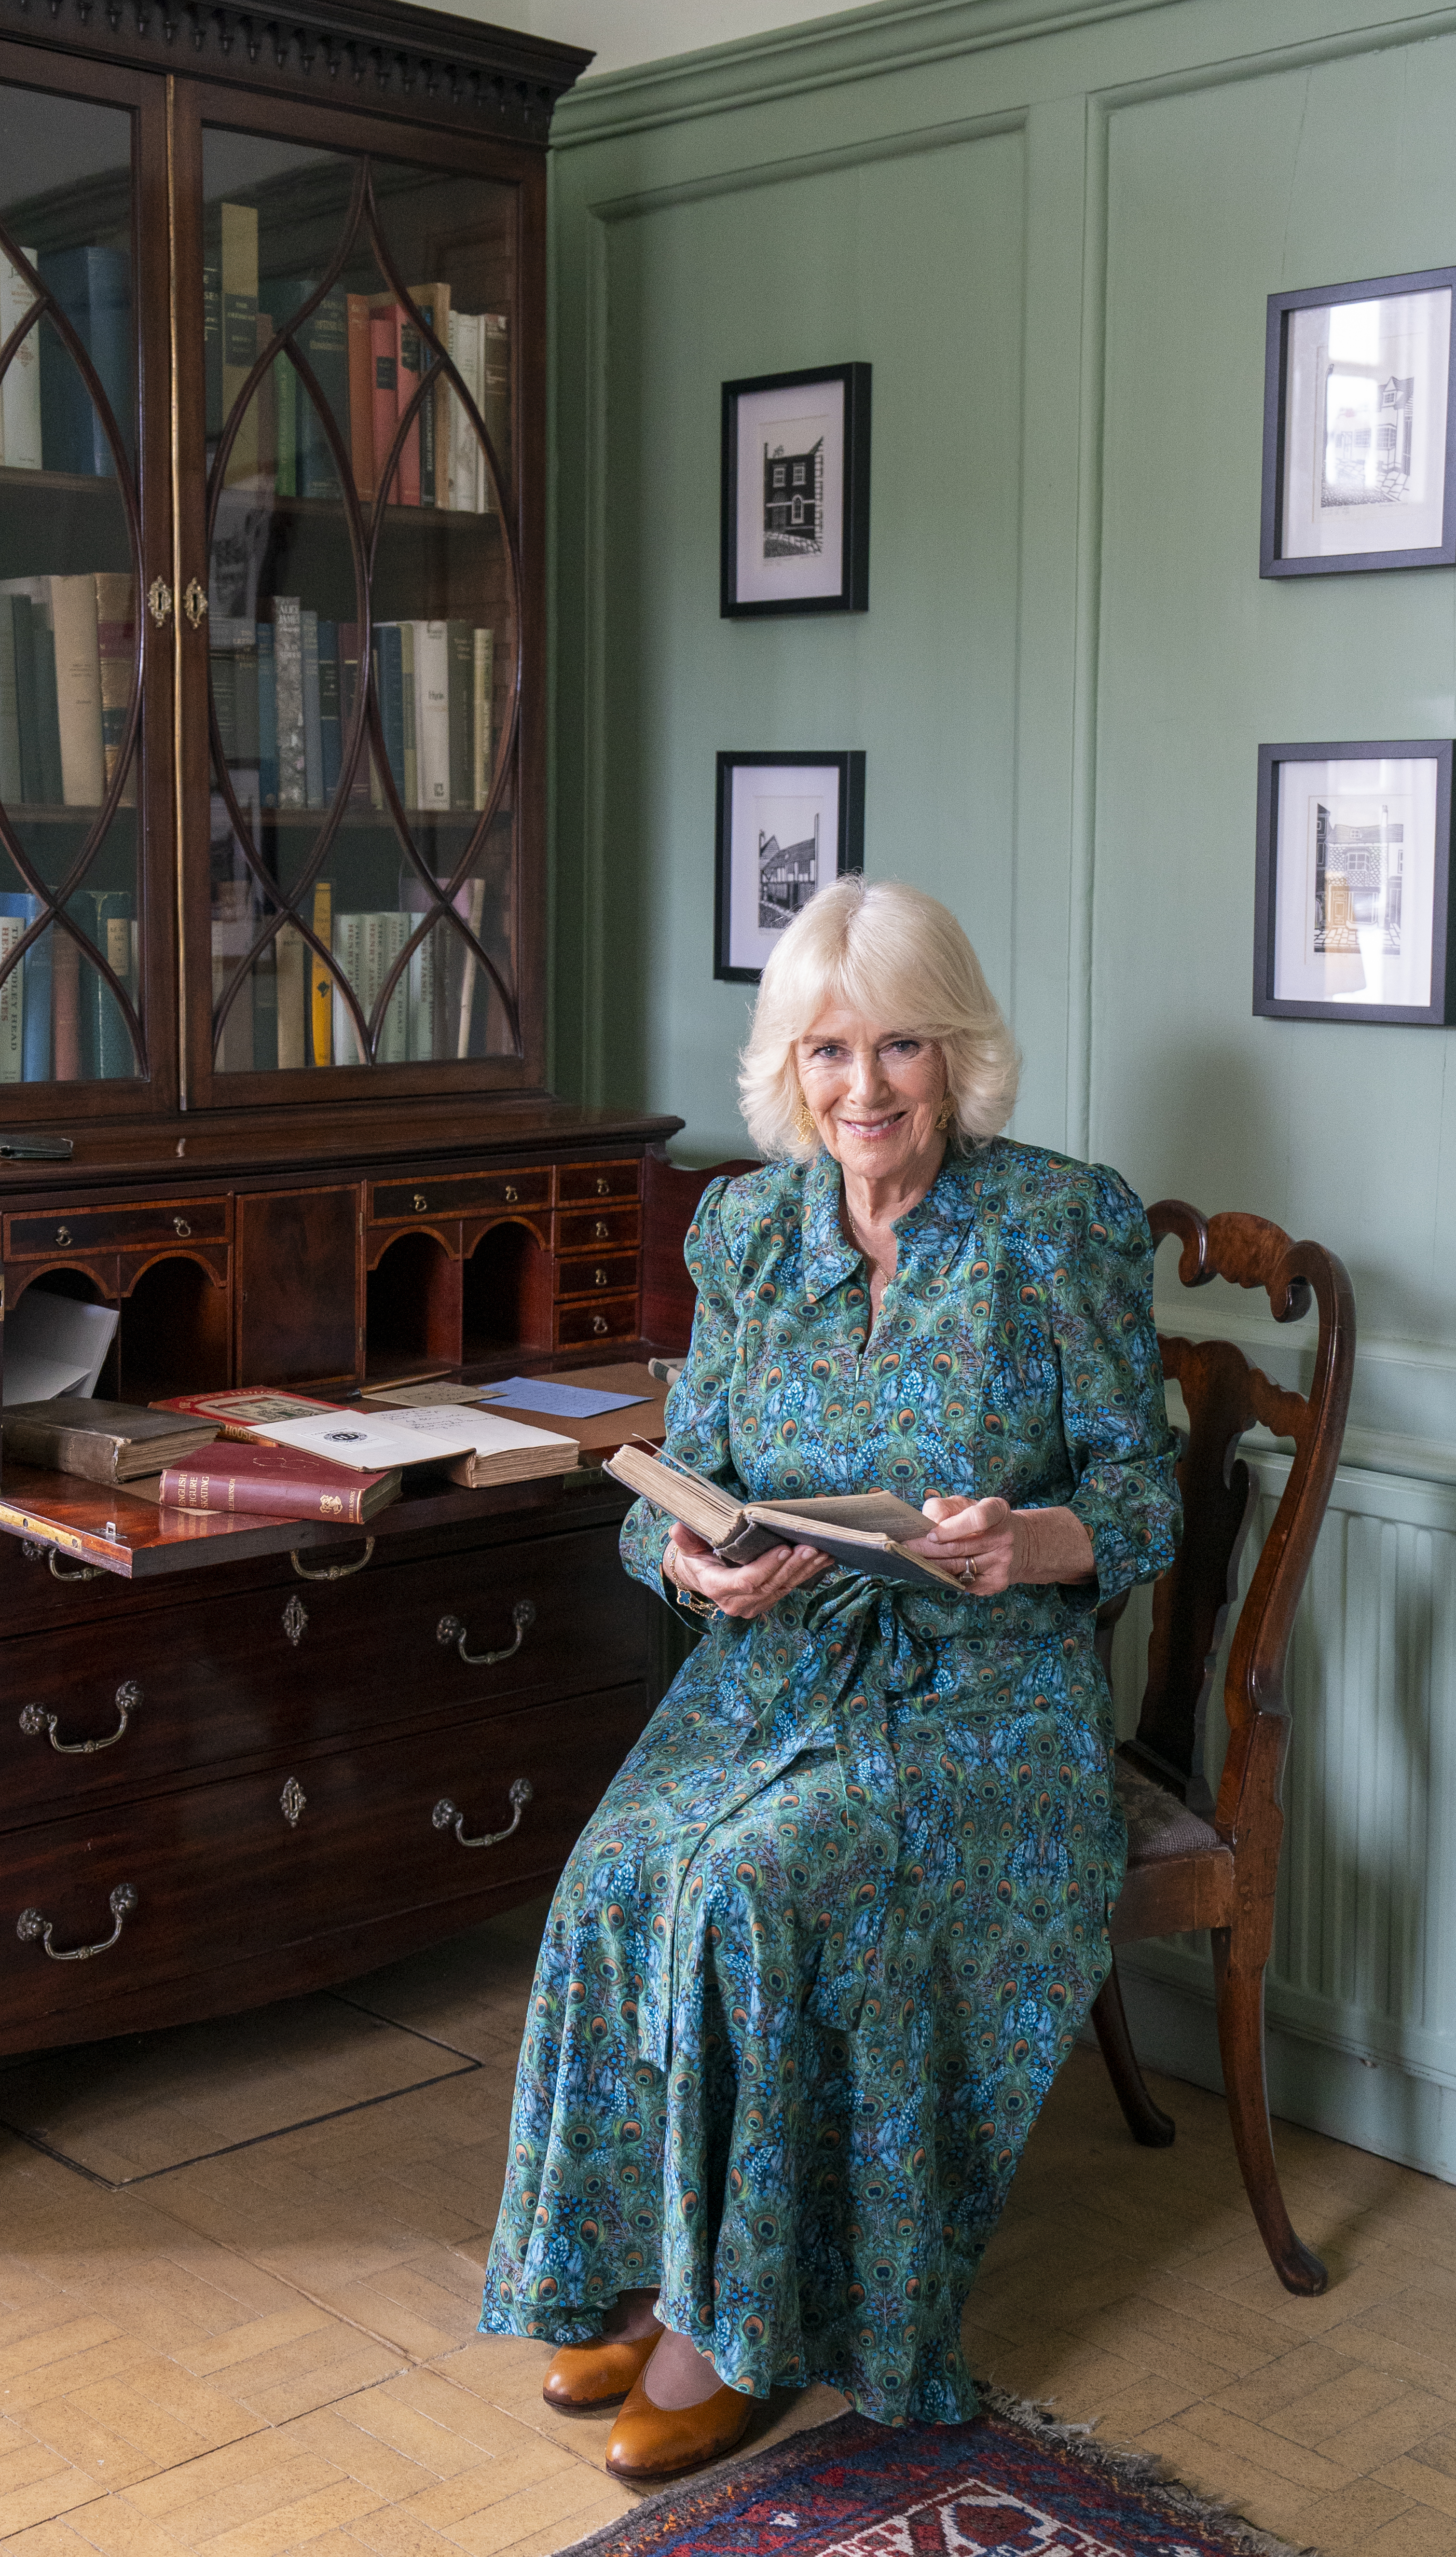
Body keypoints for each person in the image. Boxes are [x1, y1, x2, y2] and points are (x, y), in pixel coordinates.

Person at [476, 875, 1182, 2481]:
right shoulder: (746, 1229)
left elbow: (1142, 1494)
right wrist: (693, 1563)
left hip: (986, 1693)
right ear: (788, 1067)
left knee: (750, 1886)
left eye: (899, 1045)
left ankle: (735, 2329)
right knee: (614, 1875)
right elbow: (679, 1483)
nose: (862, 1087)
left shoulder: (1056, 1222)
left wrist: (1027, 1540)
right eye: (826, 1050)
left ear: (957, 1053)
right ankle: (651, 2271)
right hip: (772, 1671)